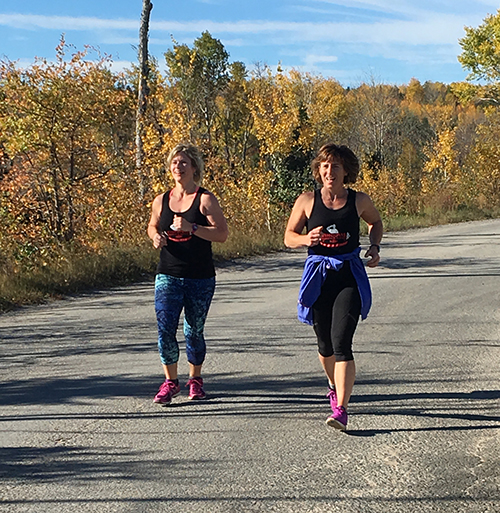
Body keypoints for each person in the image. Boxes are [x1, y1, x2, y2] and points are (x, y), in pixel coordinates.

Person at [284, 143, 383, 430]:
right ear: (319, 170)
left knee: (342, 342)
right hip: (318, 277)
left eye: (335, 166)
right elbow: (289, 236)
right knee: (324, 345)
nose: (329, 171)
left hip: (348, 275)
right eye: (325, 166)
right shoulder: (306, 200)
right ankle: (331, 383)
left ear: (346, 171)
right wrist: (306, 239)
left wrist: (374, 246)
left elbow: (375, 222)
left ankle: (341, 408)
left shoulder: (358, 200)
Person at [147, 143, 228, 405]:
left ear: (194, 168)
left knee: (194, 330)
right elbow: (152, 225)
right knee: (165, 329)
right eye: (174, 163)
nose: (178, 167)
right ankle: (170, 382)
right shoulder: (161, 200)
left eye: (183, 162)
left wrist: (193, 227)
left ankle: (195, 380)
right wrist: (155, 237)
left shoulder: (205, 199)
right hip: (168, 273)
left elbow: (222, 234)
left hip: (199, 276)